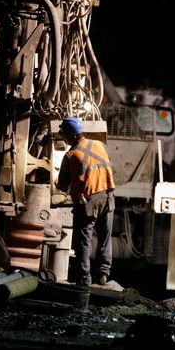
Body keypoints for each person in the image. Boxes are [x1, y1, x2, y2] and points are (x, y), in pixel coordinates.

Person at [55, 116, 116, 287]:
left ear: (72, 136)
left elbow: (62, 185)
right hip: (108, 196)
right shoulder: (100, 145)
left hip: (88, 201)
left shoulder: (70, 155)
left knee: (83, 240)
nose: (64, 140)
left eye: (65, 136)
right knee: (105, 237)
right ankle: (103, 273)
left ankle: (84, 279)